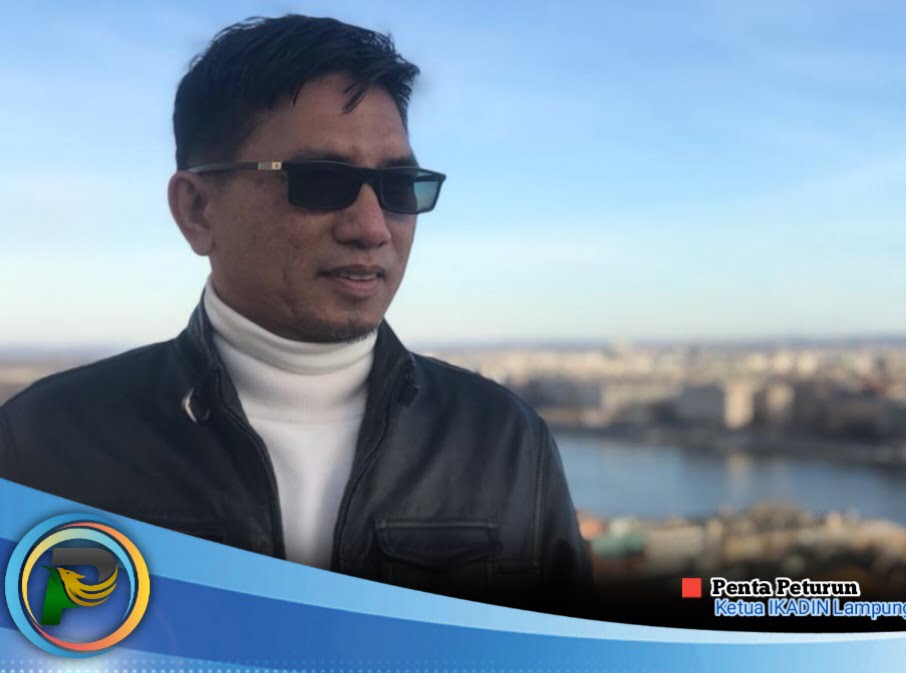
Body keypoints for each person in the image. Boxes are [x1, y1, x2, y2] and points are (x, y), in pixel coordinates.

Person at [0, 14, 593, 615]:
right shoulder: (43, 445)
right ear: (198, 209)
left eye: (399, 186)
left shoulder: (505, 441)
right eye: (319, 181)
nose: (371, 228)